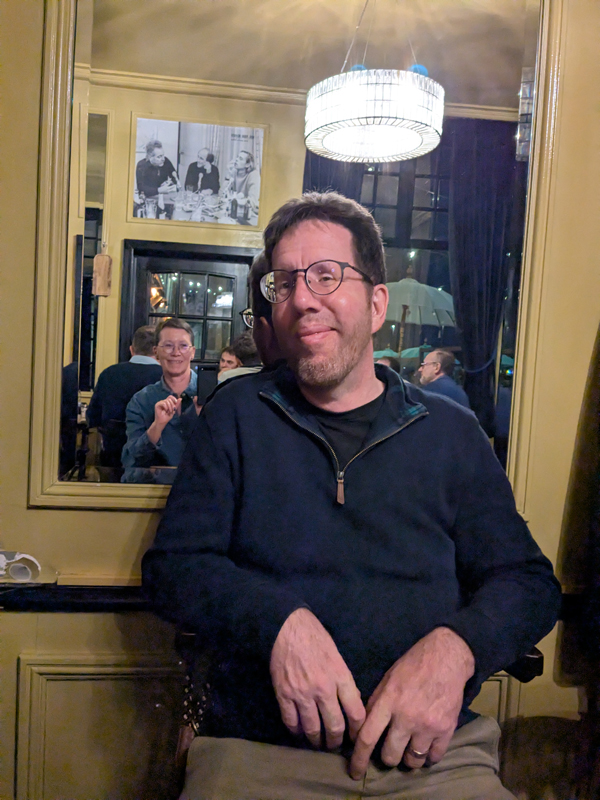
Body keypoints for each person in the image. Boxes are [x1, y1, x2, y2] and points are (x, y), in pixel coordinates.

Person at [142, 192, 561, 800]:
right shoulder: (235, 416)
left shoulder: (450, 431)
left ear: (377, 303)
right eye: (285, 283)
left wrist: (458, 649)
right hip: (261, 754)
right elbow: (174, 569)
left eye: (326, 275)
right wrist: (279, 624)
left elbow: (529, 584)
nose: (302, 299)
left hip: (433, 760)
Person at [121, 318, 199, 483]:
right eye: (168, 345)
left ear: (192, 352)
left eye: (183, 346)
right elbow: (131, 460)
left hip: (203, 490)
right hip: (155, 488)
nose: (176, 353)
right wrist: (157, 427)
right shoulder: (141, 400)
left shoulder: (217, 394)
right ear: (156, 351)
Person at [86, 326, 162, 469]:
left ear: (132, 349)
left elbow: (93, 417)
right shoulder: (166, 378)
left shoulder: (108, 374)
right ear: (157, 351)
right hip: (154, 461)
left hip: (113, 457)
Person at [223, 149, 260, 225]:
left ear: (247, 165)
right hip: (235, 213)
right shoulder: (234, 172)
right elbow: (222, 195)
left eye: (240, 159)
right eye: (237, 157)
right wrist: (228, 175)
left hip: (250, 215)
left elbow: (252, 202)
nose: (236, 159)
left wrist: (234, 200)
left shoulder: (254, 175)